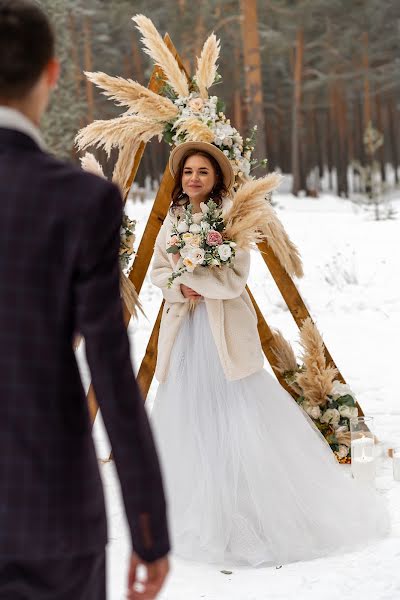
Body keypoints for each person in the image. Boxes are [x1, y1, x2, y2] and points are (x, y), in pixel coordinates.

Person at [150, 140, 389, 567]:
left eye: (203, 171)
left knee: (236, 417)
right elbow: (159, 271)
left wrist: (197, 284)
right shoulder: (175, 218)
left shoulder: (231, 219)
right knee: (193, 415)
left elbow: (234, 278)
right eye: (188, 172)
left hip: (224, 334)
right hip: (186, 330)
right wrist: (179, 287)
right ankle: (203, 512)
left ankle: (252, 511)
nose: (194, 178)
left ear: (217, 177)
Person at [0, 1, 169, 598]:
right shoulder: (80, 201)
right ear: (50, 74)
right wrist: (150, 532)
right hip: (54, 514)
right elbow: (113, 381)